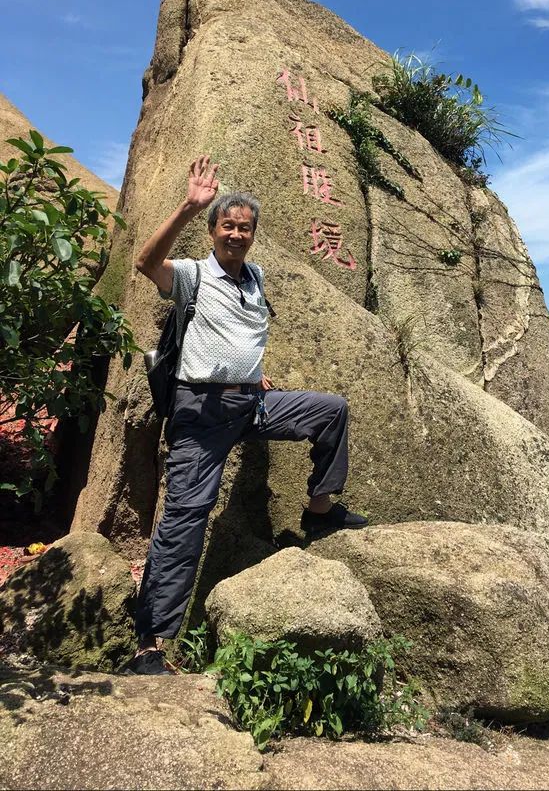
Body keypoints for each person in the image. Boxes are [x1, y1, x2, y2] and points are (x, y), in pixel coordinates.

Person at [122, 154, 367, 676]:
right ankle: (151, 644)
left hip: (250, 403)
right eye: (227, 225)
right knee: (185, 519)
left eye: (245, 228)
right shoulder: (191, 275)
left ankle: (319, 511)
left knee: (330, 412)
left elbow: (237, 334)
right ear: (212, 231)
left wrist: (254, 375)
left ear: (253, 235)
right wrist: (189, 206)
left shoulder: (253, 277)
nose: (236, 234)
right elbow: (146, 263)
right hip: (201, 410)